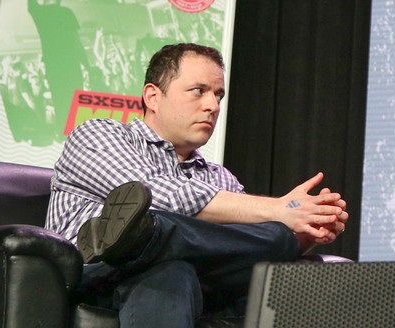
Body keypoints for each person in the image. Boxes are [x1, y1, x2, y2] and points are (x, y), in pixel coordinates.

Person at [46, 43, 348, 327]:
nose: (212, 106)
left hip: (200, 279)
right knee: (169, 267)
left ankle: (150, 233)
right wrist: (278, 211)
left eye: (218, 95)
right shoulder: (99, 135)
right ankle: (149, 231)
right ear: (153, 97)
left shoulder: (219, 178)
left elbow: (239, 249)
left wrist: (305, 232)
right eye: (198, 91)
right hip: (97, 274)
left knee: (262, 276)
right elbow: (161, 195)